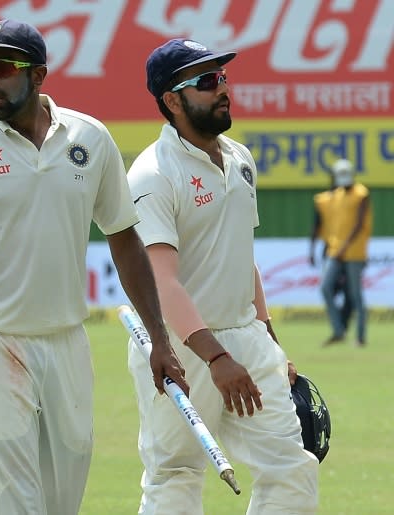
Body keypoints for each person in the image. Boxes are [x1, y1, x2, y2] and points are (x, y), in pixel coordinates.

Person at [0, 19, 188, 515]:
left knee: (62, 501)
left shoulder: (89, 139)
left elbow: (125, 240)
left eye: (3, 67)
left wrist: (159, 336)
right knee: (18, 501)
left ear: (40, 75)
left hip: (67, 339)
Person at [126, 38, 319, 514]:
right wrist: (215, 357)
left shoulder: (239, 159)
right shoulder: (153, 173)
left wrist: (268, 338)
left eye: (223, 78)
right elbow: (161, 280)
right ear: (173, 100)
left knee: (291, 465)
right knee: (176, 474)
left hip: (244, 339)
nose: (223, 89)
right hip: (180, 348)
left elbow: (240, 255)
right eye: (207, 82)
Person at [317, 158, 372, 347]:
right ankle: (339, 330)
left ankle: (361, 336)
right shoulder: (336, 195)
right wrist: (328, 245)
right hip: (335, 250)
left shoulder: (361, 193)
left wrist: (344, 247)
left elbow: (358, 225)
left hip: (355, 252)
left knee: (356, 295)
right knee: (325, 287)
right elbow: (332, 224)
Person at [309, 168, 354, 334]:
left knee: (351, 293)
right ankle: (338, 326)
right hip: (330, 250)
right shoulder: (323, 200)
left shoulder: (353, 199)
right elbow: (316, 226)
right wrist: (312, 251)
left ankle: (342, 325)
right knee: (329, 288)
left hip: (350, 252)